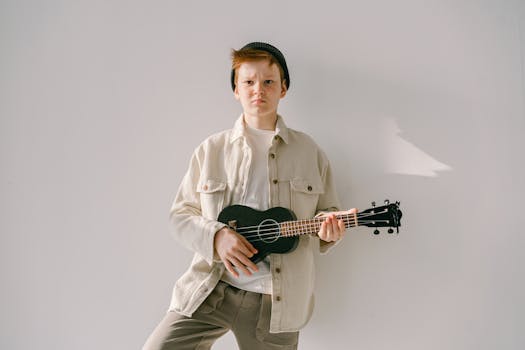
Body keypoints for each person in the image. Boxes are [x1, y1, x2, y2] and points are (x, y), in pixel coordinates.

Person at [143, 42, 356, 350]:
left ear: (283, 88)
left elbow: (327, 214)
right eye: (249, 82)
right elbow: (179, 216)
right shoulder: (211, 150)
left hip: (276, 304)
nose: (259, 90)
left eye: (269, 81)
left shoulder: (310, 153)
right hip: (211, 287)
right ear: (236, 90)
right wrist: (216, 237)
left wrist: (330, 230)